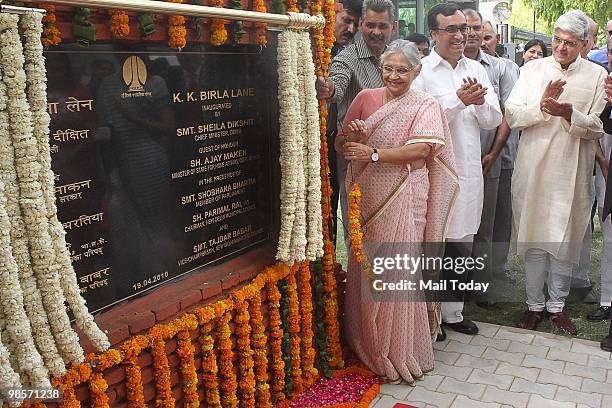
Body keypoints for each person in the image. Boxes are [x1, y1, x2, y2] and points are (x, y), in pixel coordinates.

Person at [339, 39, 458, 384]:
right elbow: (341, 142)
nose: (394, 75)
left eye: (402, 70)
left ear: (416, 71)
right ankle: (367, 339)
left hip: (405, 195)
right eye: (388, 68)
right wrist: (353, 138)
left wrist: (373, 152)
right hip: (368, 196)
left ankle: (398, 347)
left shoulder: (425, 104)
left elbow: (422, 151)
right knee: (369, 265)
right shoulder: (365, 98)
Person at [506, 10, 608, 336]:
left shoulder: (595, 75)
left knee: (565, 239)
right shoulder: (532, 69)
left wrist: (569, 113)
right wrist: (542, 107)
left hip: (572, 170)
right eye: (557, 40)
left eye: (570, 42)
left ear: (583, 44)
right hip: (533, 168)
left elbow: (596, 127)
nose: (561, 47)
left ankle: (556, 307)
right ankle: (534, 305)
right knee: (535, 237)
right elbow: (513, 116)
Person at [412, 3, 502, 336]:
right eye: (452, 29)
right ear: (434, 33)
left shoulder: (477, 69)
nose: (461, 35)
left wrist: (479, 104)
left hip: (467, 171)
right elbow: (419, 123)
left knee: (462, 243)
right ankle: (428, 317)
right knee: (432, 245)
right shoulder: (420, 71)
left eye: (464, 28)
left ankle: (452, 311)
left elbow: (494, 119)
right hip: (433, 173)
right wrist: (458, 101)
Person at [316, 0, 397, 252]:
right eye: (370, 25)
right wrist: (328, 88)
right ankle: (360, 287)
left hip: (392, 157)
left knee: (390, 226)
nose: (376, 31)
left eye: (382, 26)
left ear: (392, 27)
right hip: (357, 158)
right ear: (361, 24)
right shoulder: (348, 59)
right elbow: (336, 84)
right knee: (361, 229)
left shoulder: (394, 56)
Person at [461, 9, 517, 308]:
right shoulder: (440, 66)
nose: (469, 34)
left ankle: (479, 284)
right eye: (464, 28)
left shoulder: (497, 68)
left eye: (475, 29)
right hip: (456, 159)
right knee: (456, 226)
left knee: (485, 225)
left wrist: (494, 153)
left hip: (489, 158)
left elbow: (508, 114)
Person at [479, 20, 522, 284]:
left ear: (496, 39)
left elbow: (510, 111)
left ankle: (497, 269)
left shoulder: (505, 68)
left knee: (500, 218)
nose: (482, 41)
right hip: (473, 155)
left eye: (487, 37)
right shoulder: (463, 66)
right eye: (476, 34)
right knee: (478, 220)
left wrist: (495, 151)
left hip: (503, 155)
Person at [326, 0, 363, 244]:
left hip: (351, 143)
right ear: (331, 16)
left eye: (355, 24)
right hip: (321, 142)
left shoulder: (361, 55)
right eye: (345, 20)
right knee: (325, 209)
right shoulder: (312, 49)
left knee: (354, 209)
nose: (350, 29)